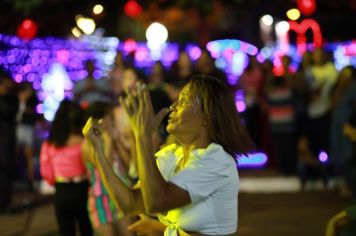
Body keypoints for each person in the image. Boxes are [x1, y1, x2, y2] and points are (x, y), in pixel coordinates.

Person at [83, 75, 253, 235]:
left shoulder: (217, 160)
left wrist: (142, 137)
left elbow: (157, 201)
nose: (173, 106)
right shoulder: (172, 156)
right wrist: (98, 152)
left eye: (184, 101)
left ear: (207, 116)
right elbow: (129, 204)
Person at [40, 100, 93, 236]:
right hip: (83, 189)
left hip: (62, 190)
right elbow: (92, 168)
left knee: (66, 231)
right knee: (87, 229)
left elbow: (46, 172)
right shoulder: (84, 142)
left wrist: (56, 181)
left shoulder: (49, 144)